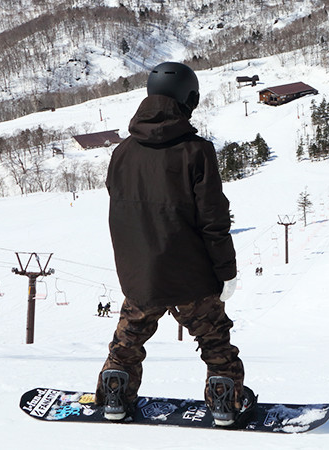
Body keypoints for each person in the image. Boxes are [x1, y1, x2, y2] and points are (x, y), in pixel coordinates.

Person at [95, 61, 254, 427]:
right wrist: (225, 273)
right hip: (191, 276)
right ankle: (223, 401)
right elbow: (214, 221)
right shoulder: (197, 152)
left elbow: (122, 214)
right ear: (189, 99)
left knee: (127, 341)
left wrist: (134, 267)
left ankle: (115, 390)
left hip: (141, 275)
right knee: (216, 343)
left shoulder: (122, 153)